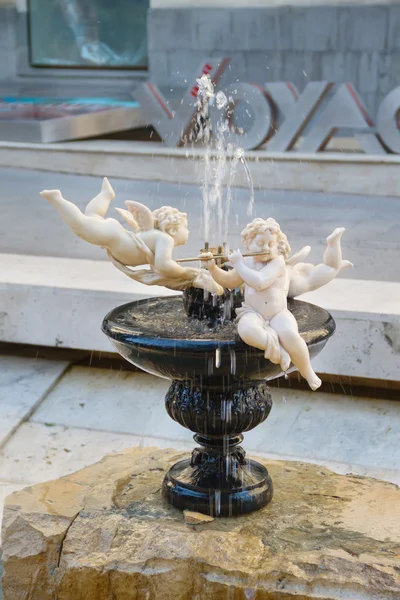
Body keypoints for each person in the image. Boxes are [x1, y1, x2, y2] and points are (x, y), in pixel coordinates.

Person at [203, 218, 352, 391]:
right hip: (252, 312)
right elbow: (228, 281)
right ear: (248, 244)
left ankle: (307, 371)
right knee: (246, 330)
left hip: (277, 313)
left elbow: (260, 282)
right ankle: (279, 351)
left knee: (290, 334)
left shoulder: (277, 262)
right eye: (260, 243)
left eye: (270, 244)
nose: (266, 248)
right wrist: (213, 268)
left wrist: (238, 264)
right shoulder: (247, 263)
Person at [40, 177, 223, 294]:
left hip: (115, 237)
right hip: (115, 237)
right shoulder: (164, 239)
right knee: (82, 226)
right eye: (186, 227)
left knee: (92, 217)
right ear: (173, 229)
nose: (189, 232)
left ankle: (106, 195)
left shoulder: (155, 237)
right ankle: (57, 199)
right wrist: (186, 272)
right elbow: (163, 265)